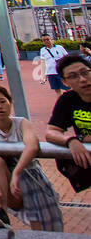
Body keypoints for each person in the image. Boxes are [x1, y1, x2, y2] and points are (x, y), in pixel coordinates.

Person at [0, 85, 63, 231]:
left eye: (3, 101)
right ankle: (2, 212)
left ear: (10, 102)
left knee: (46, 228)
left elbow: (32, 145)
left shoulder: (21, 123)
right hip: (5, 185)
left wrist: (17, 172)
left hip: (30, 177)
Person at [46, 53, 91, 195]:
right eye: (73, 76)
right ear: (65, 82)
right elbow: (51, 132)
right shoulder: (68, 100)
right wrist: (71, 141)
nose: (82, 79)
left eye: (85, 73)